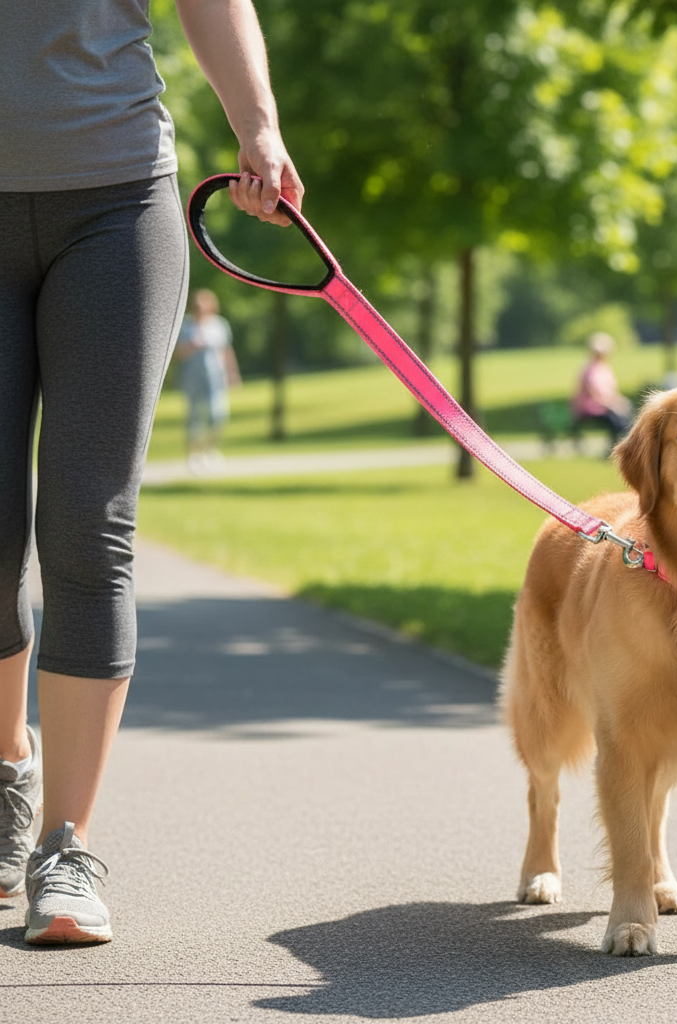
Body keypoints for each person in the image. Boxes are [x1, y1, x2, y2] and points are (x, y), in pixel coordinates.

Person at [0, 0, 302, 945]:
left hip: (117, 201)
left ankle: (68, 841)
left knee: (89, 522)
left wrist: (258, 123)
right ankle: (11, 763)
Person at [176, 289, 240, 472]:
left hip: (215, 378)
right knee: (194, 417)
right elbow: (177, 354)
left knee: (217, 414)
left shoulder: (219, 325)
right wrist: (192, 345)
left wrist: (232, 373)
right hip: (192, 378)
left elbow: (226, 350)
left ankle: (212, 451)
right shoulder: (186, 326)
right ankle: (193, 455)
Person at [571, 331, 633, 446]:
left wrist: (618, 401)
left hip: (603, 405)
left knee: (625, 413)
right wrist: (612, 404)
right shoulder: (590, 369)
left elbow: (611, 391)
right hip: (591, 408)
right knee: (614, 419)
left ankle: (625, 444)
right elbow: (595, 393)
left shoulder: (604, 368)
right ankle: (616, 446)